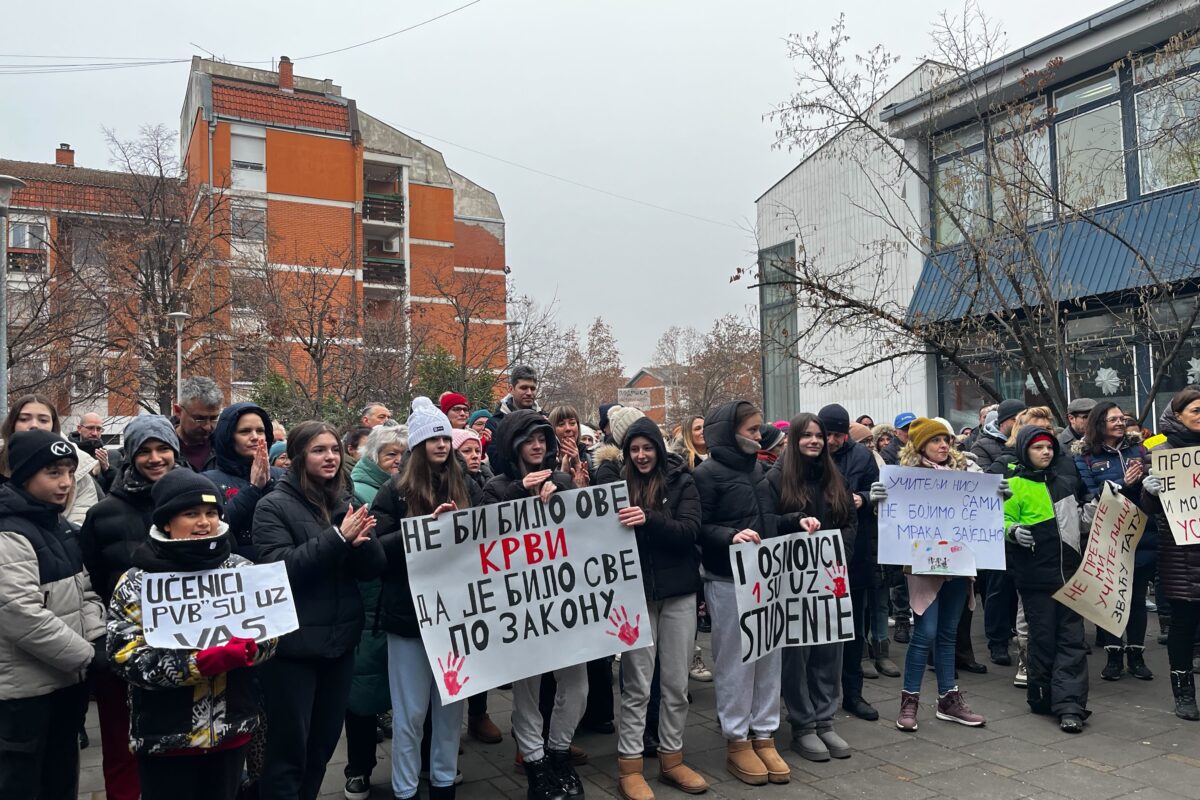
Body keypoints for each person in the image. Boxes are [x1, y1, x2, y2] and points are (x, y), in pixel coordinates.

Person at [105, 471, 277, 800]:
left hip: (232, 729)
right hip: (165, 737)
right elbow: (125, 656)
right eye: (191, 513)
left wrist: (252, 649)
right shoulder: (137, 582)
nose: (204, 522)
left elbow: (272, 634)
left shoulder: (241, 571)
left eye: (212, 513)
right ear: (167, 521)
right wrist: (198, 663)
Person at [253, 421, 386, 800]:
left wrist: (362, 541)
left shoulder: (348, 501)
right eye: (318, 450)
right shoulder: (272, 507)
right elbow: (278, 571)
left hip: (339, 646)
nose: (330, 457)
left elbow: (371, 568)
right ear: (296, 458)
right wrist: (338, 539)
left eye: (333, 449)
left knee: (321, 751)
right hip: (293, 651)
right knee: (289, 753)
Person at [370, 398, 477, 800]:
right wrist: (422, 531)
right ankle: (405, 789)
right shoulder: (393, 492)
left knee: (450, 710)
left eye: (444, 437)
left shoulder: (466, 485)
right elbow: (377, 552)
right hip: (409, 618)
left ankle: (444, 784)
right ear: (417, 445)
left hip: (457, 615)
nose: (441, 444)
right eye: (432, 437)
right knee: (411, 713)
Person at [870, 418, 1000, 732]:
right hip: (924, 567)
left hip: (958, 565)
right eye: (936, 440)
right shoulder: (907, 478)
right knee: (925, 633)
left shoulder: (966, 473)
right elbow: (892, 519)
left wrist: (1000, 494)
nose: (943, 445)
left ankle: (948, 699)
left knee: (948, 634)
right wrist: (879, 501)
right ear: (920, 445)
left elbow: (983, 506)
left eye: (946, 440)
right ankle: (910, 700)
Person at [0, 429, 107, 798]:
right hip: (23, 696)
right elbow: (20, 614)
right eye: (53, 473)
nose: (65, 483)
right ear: (25, 474)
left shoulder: (58, 526)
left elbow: (85, 592)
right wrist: (88, 656)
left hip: (65, 683)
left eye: (68, 472)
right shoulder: (9, 532)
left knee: (60, 781)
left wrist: (99, 637)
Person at [481, 410, 582, 800]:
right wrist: (519, 493)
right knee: (527, 689)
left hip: (563, 602)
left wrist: (566, 494)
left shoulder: (561, 480)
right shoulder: (496, 486)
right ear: (513, 445)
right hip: (521, 606)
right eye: (529, 439)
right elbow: (483, 535)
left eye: (543, 438)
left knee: (576, 682)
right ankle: (536, 765)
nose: (538, 445)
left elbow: (586, 528)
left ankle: (559, 753)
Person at [79, 415, 180, 800]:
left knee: (176, 751)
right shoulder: (103, 514)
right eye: (144, 451)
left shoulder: (200, 500)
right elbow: (88, 579)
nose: (155, 458)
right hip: (124, 654)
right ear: (130, 456)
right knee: (122, 751)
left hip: (182, 651)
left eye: (162, 449)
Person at [694, 400, 790, 787]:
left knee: (769, 655)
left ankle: (764, 733)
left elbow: (766, 520)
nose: (759, 435)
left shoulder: (761, 471)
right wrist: (731, 537)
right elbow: (699, 526)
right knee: (736, 662)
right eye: (752, 429)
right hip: (727, 579)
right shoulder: (706, 474)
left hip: (764, 578)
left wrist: (796, 521)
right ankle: (737, 739)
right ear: (729, 433)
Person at [613, 417, 708, 800]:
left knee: (675, 683)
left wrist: (649, 518)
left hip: (679, 593)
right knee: (636, 683)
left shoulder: (683, 481)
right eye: (634, 450)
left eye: (646, 448)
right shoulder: (616, 485)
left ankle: (672, 758)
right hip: (636, 596)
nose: (640, 456)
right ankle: (630, 764)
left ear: (658, 447)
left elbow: (690, 531)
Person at [763, 412, 856, 761]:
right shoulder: (775, 479)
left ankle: (825, 719)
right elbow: (766, 522)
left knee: (829, 650)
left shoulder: (835, 478)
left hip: (830, 579)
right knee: (798, 653)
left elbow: (849, 520)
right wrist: (793, 522)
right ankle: (802, 725)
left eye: (819, 435)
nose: (815, 441)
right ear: (794, 440)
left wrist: (839, 554)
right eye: (807, 435)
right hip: (792, 582)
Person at [1003, 427, 1089, 732]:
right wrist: (1011, 532)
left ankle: (1070, 705)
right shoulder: (1011, 486)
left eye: (1049, 447)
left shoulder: (1065, 483)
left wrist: (1107, 501)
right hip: (1035, 577)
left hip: (1069, 575)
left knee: (1071, 640)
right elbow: (999, 521)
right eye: (1038, 447)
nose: (1046, 452)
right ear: (1025, 450)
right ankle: (1041, 695)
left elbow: (1080, 521)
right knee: (1042, 638)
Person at [344, 423, 408, 799]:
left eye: (403, 455)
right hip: (371, 603)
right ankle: (358, 768)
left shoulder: (410, 485)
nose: (397, 461)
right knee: (364, 691)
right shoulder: (358, 492)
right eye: (390, 455)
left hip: (400, 600)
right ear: (374, 457)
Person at [819, 404, 894, 721]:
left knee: (852, 629)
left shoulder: (861, 457)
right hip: (818, 551)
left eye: (838, 434)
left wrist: (864, 498)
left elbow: (877, 491)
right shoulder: (810, 452)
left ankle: (853, 694)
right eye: (828, 434)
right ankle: (819, 694)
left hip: (856, 552)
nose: (832, 441)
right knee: (821, 627)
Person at [1072, 401, 1155, 682]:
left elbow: (1156, 487)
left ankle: (1137, 655)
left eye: (1122, 418)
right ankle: (1113, 656)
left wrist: (1146, 482)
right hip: (1108, 534)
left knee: (1137, 598)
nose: (1120, 423)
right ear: (1099, 424)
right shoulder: (1084, 457)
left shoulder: (1140, 450)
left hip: (1142, 531)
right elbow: (1087, 494)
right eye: (1113, 419)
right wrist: (1122, 484)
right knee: (1110, 597)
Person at [1142, 388, 1200, 720]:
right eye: (1195, 409)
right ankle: (1184, 694)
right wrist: (1149, 492)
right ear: (1177, 415)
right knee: (1183, 622)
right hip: (1180, 551)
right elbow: (1148, 508)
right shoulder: (1159, 451)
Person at [1, 394, 101, 526]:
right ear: (12, 424)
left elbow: (81, 527)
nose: (34, 426)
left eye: (43, 420)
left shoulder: (81, 472)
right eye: (24, 419)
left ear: (54, 426)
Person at [203, 402, 281, 561]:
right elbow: (214, 527)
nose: (255, 437)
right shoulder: (207, 481)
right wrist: (253, 489)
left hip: (278, 567)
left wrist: (269, 484)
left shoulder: (283, 476)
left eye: (260, 430)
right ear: (229, 437)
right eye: (245, 431)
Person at [173, 377, 223, 473]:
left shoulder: (225, 448)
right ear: (178, 411)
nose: (208, 427)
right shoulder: (159, 450)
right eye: (200, 419)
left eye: (213, 418)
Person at [71, 412, 120, 493]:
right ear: (79, 429)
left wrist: (107, 470)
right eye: (90, 428)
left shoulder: (112, 456)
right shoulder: (68, 452)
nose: (95, 433)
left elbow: (119, 488)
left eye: (98, 429)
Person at [971, 400, 1026, 472]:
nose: (1020, 425)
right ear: (1002, 421)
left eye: (1023, 420)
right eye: (1014, 420)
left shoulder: (1030, 442)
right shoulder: (980, 447)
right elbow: (986, 479)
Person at [488, 365, 541, 433]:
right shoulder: (495, 423)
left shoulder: (544, 419)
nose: (529, 393)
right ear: (511, 389)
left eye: (533, 388)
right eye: (524, 388)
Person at [549, 405, 590, 488]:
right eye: (561, 424)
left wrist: (578, 463)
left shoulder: (590, 458)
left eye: (572, 423)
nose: (568, 428)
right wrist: (563, 473)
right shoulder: (546, 462)